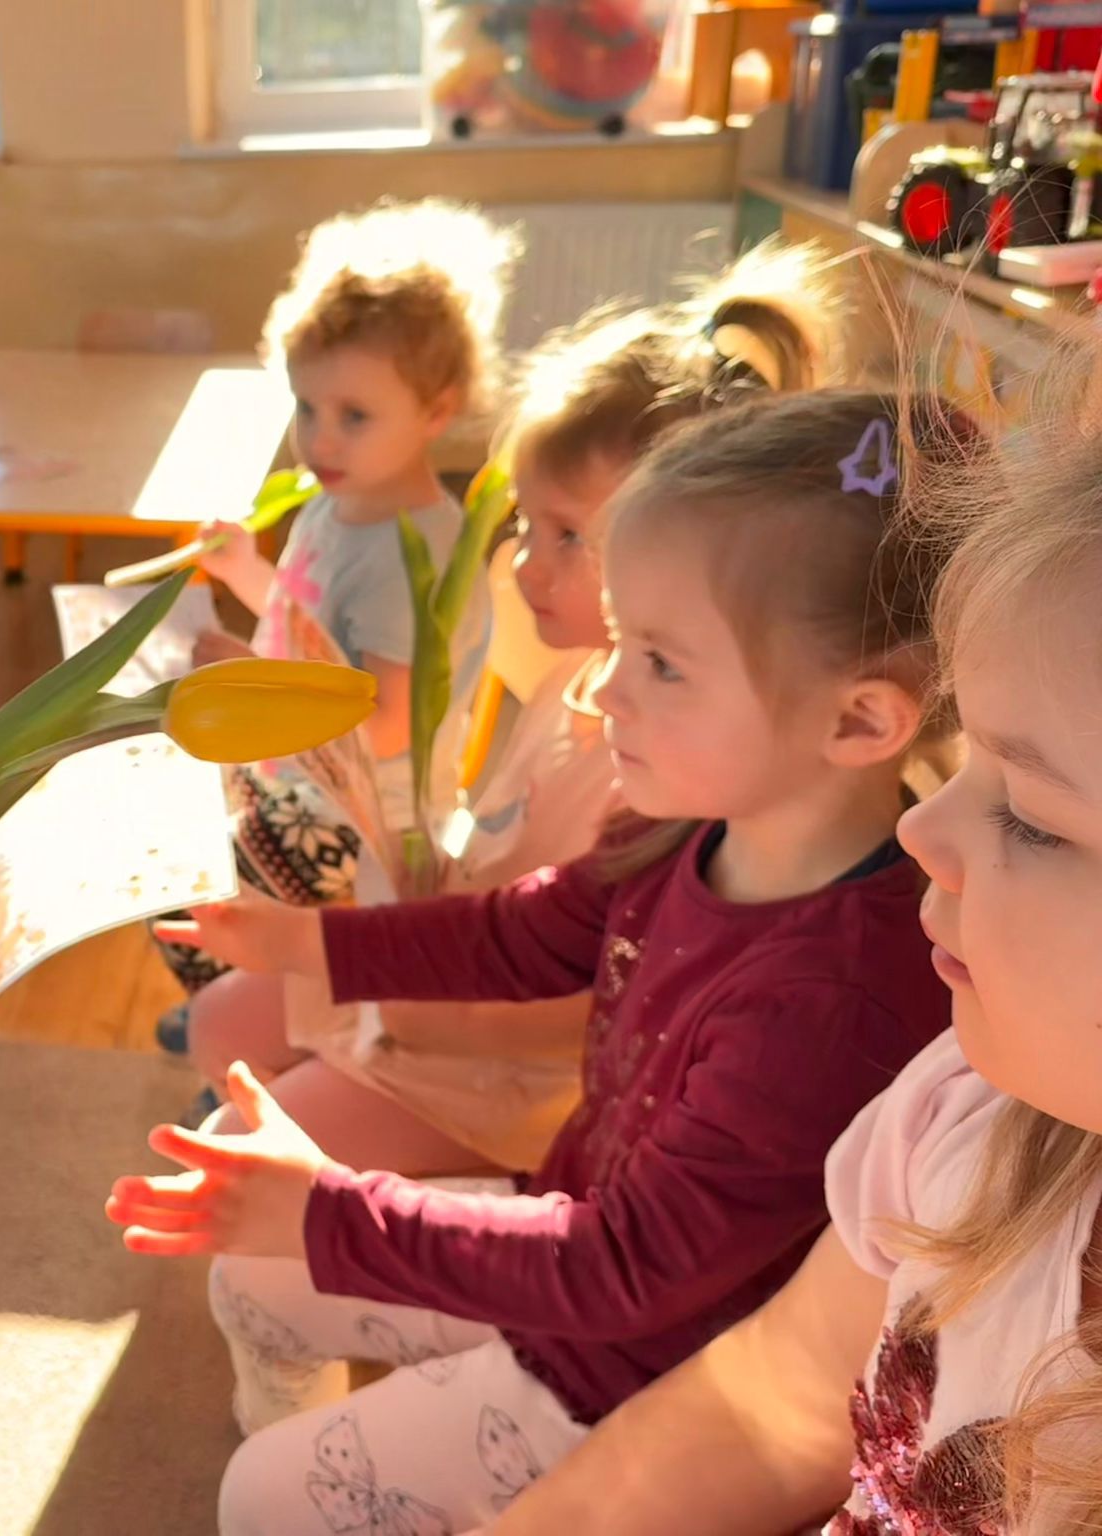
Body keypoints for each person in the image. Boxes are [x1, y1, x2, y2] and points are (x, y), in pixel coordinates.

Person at [109, 391, 960, 1532]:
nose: (604, 690)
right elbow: (518, 933)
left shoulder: (832, 1000)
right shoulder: (685, 829)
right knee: (250, 1280)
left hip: (632, 1375)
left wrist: (328, 1213)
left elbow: (625, 1272)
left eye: (659, 663)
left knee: (261, 1500)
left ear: (857, 723)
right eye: (619, 645)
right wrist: (303, 942)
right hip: (568, 1242)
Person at [488, 353, 1102, 1536]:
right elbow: (766, 1406)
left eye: (1027, 814)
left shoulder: (834, 994)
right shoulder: (962, 1115)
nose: (920, 828)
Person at [182, 242, 844, 1177]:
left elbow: (580, 1006)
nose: (526, 564)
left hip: (500, 1078)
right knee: (219, 1024)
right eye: (528, 525)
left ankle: (412, 1204)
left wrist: (394, 994)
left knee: (232, 1154)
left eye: (568, 535)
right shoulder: (579, 680)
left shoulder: (663, 769)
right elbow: (503, 864)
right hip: (444, 977)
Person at [153, 200, 521, 1035]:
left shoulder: (408, 559)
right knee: (155, 821)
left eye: (354, 415)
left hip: (365, 825)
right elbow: (309, 621)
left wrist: (246, 684)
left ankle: (252, 1017)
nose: (321, 440)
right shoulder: (336, 505)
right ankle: (232, 1004)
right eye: (306, 407)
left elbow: (382, 725)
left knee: (183, 867)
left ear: (437, 412)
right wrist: (246, 570)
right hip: (298, 777)